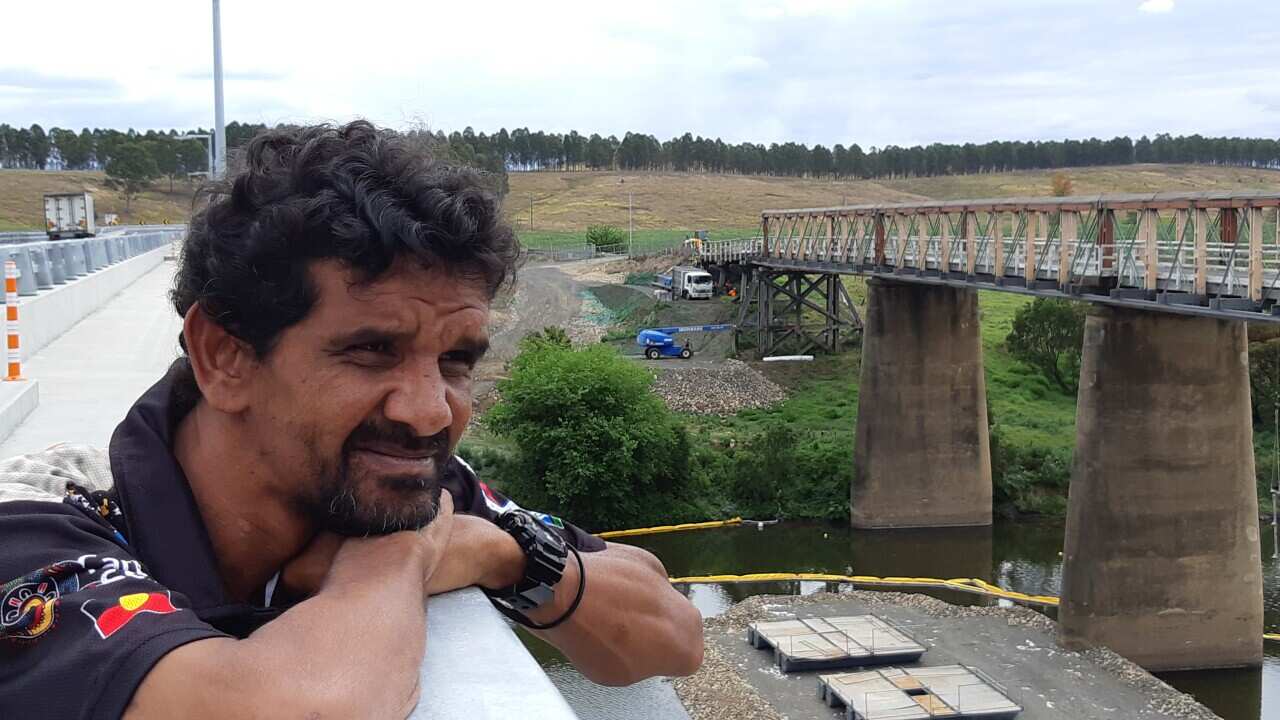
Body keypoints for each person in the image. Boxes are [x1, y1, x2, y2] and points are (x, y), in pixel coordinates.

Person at [0, 121, 703, 719]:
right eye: (371, 350)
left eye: (456, 360)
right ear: (224, 356)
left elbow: (673, 633)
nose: (429, 411)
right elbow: (294, 706)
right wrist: (396, 559)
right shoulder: (37, 525)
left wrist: (504, 553)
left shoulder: (401, 478)